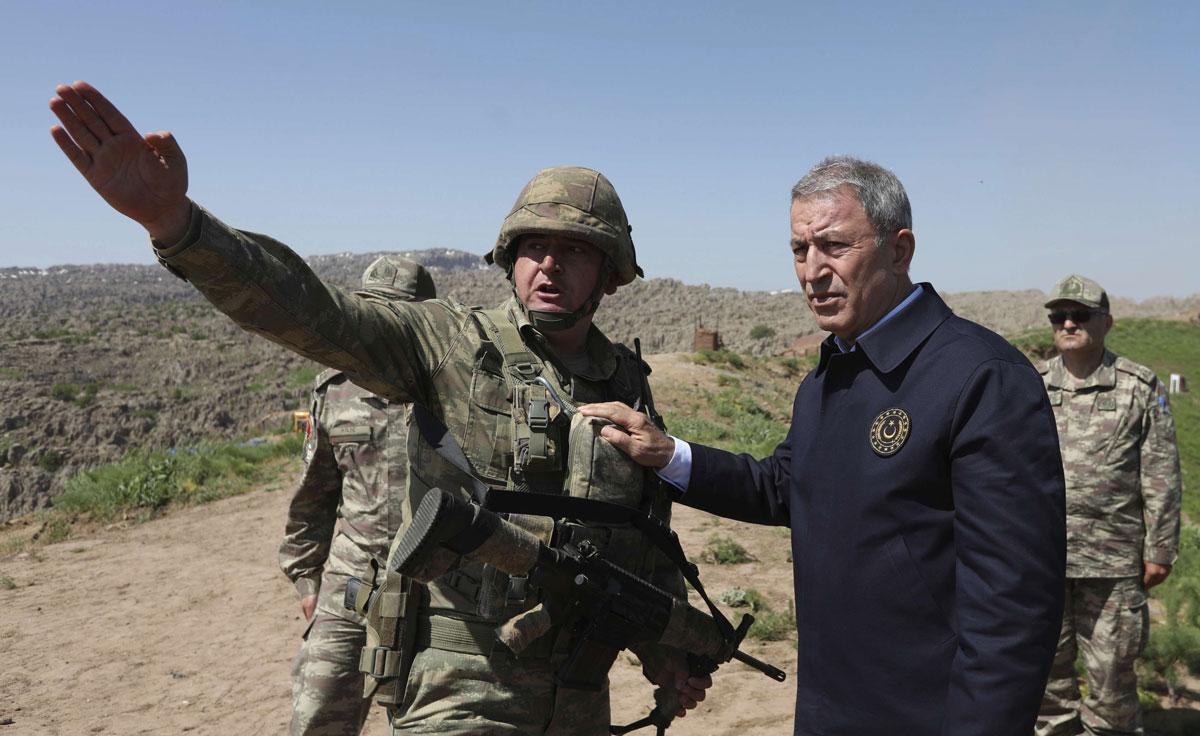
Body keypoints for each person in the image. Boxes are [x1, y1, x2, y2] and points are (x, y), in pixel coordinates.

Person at [48, 81, 708, 736]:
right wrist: (179, 226)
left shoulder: (628, 385)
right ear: (510, 257)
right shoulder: (451, 342)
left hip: (581, 700)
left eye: (573, 249)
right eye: (535, 246)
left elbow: (642, 550)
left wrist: (667, 654)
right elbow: (310, 309)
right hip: (459, 691)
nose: (548, 264)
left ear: (612, 270)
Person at [582, 156, 1067, 736]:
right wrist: (668, 454)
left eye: (834, 247)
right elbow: (785, 486)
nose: (812, 271)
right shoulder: (827, 378)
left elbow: (1013, 610)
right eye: (798, 250)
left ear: (899, 249)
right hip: (829, 707)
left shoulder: (981, 376)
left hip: (927, 715)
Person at [279, 256, 435, 736]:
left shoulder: (454, 388)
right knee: (318, 718)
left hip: (438, 590)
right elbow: (315, 495)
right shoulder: (334, 390)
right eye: (373, 314)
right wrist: (307, 579)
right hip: (351, 585)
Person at [1035, 274, 1182, 736]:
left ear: (1107, 322)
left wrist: (1159, 549)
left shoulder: (1140, 387)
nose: (1069, 323)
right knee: (1045, 682)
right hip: (1042, 560)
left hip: (1113, 564)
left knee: (1112, 684)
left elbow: (1160, 471)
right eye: (1060, 316)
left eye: (1081, 315)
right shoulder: (1031, 384)